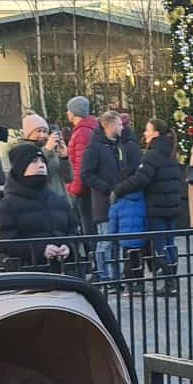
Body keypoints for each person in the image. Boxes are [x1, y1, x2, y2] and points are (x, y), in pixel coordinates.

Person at [111, 116, 185, 282]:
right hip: (172, 207)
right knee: (170, 243)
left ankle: (169, 280)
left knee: (160, 245)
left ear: (156, 133)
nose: (145, 133)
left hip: (157, 207)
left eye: (147, 130)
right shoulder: (171, 152)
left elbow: (141, 179)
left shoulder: (152, 154)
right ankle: (172, 277)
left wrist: (119, 189)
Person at [0, 142, 75, 269]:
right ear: (20, 167)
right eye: (34, 161)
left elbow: (73, 231)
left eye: (42, 161)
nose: (41, 165)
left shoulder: (59, 201)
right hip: (29, 274)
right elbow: (4, 242)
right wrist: (39, 250)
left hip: (63, 272)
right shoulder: (7, 205)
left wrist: (68, 247)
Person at [79, 108, 140, 280]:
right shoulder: (94, 148)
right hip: (103, 202)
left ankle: (116, 277)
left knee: (117, 241)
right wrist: (107, 189)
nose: (122, 128)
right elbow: (86, 175)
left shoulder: (119, 146)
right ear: (110, 125)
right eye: (119, 124)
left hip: (119, 200)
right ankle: (103, 276)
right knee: (106, 241)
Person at [21, 111, 75, 214]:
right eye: (38, 131)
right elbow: (30, 176)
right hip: (40, 207)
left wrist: (64, 157)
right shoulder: (23, 150)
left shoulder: (52, 149)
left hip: (62, 205)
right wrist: (47, 151)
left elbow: (69, 178)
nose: (42, 135)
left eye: (45, 131)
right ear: (28, 133)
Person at [65, 95, 99, 237]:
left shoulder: (82, 132)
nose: (67, 113)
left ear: (74, 112)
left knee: (88, 228)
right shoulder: (90, 128)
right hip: (89, 187)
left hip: (84, 189)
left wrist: (75, 188)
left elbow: (81, 163)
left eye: (68, 110)